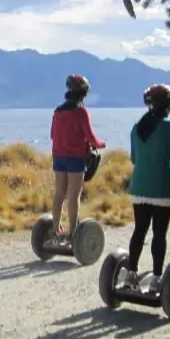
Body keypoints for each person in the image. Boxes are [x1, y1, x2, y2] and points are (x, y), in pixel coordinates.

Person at [124, 83, 170, 289]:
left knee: (139, 230)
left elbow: (134, 158)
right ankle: (157, 279)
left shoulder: (136, 128)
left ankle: (131, 273)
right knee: (159, 233)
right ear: (169, 104)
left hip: (139, 188)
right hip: (162, 188)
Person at [49, 73, 106, 242]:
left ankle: (55, 229)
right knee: (74, 195)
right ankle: (73, 231)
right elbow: (91, 137)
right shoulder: (81, 112)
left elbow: (52, 135)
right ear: (83, 93)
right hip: (75, 159)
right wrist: (101, 144)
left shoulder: (58, 112)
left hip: (59, 157)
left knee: (59, 194)